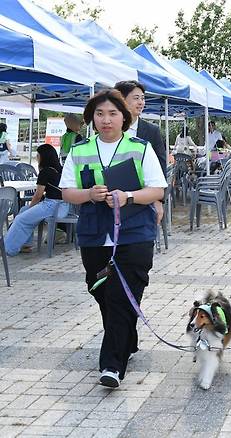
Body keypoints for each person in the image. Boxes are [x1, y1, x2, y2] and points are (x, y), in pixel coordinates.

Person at [60, 89, 167, 388]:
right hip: (95, 235)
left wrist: (129, 196)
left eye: (112, 114)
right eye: (99, 114)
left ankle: (111, 366)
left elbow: (157, 190)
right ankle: (127, 339)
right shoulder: (80, 150)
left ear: (125, 117)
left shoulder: (140, 148)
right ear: (92, 118)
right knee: (102, 293)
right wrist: (89, 194)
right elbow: (67, 191)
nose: (106, 120)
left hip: (135, 235)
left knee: (122, 296)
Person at [114, 81, 166, 226]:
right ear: (122, 100)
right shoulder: (109, 130)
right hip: (114, 198)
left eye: (143, 98)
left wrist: (158, 200)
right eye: (136, 98)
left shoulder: (152, 131)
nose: (141, 102)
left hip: (144, 197)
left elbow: (161, 167)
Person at [4, 144, 69, 255]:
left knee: (20, 219)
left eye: (38, 155)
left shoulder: (45, 172)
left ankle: (8, 249)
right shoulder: (61, 170)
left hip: (51, 206)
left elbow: (38, 195)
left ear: (44, 157)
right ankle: (26, 244)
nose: (36, 158)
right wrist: (29, 209)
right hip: (64, 207)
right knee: (23, 210)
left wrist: (31, 208)